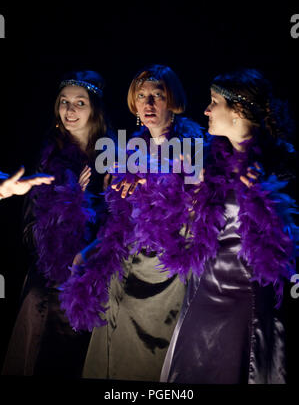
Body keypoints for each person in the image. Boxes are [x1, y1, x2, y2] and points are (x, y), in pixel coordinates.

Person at [59, 64, 205, 381]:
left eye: (157, 95)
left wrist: (156, 180)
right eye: (141, 96)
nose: (148, 103)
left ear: (173, 100)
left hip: (162, 281)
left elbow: (197, 220)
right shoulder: (130, 149)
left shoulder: (193, 148)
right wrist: (91, 250)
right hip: (122, 272)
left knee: (142, 367)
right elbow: (121, 223)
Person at [159, 68, 298, 384]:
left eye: (214, 102)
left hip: (248, 297)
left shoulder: (282, 164)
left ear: (238, 110)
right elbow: (179, 209)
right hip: (203, 290)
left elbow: (287, 244)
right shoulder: (206, 158)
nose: (206, 110)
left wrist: (266, 196)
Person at [2, 70, 113, 377]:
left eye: (80, 102)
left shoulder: (115, 157)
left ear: (95, 110)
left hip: (93, 284)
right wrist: (70, 202)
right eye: (64, 102)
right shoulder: (47, 159)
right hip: (48, 286)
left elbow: (117, 227)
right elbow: (31, 230)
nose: (69, 110)